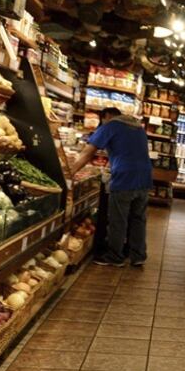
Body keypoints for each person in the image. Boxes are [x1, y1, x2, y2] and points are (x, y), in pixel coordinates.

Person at [72, 106, 153, 267]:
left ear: (107, 116)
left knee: (118, 219)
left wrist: (70, 172)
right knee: (138, 219)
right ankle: (138, 255)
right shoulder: (137, 127)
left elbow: (88, 153)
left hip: (124, 178)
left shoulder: (111, 126)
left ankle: (115, 256)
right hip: (144, 177)